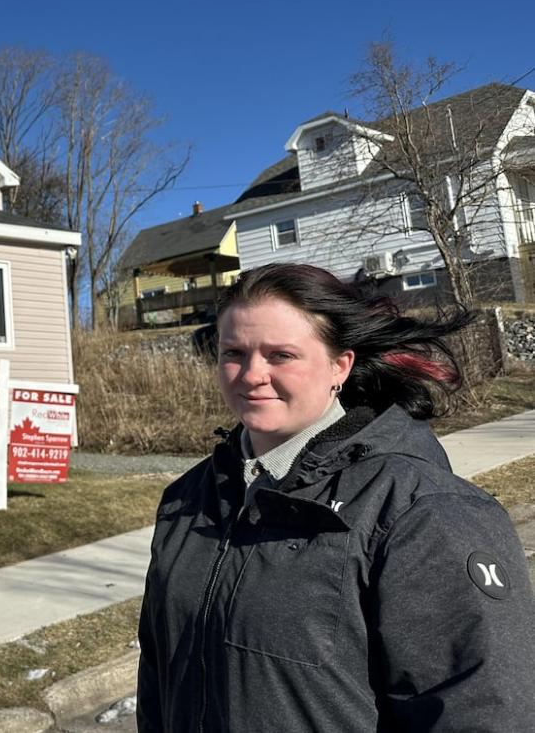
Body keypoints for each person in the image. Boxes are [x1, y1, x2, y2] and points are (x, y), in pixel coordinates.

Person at [136, 263, 535, 732]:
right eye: (234, 352)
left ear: (339, 366)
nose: (251, 375)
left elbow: (483, 712)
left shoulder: (421, 511)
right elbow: (158, 681)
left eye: (281, 355)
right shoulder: (190, 499)